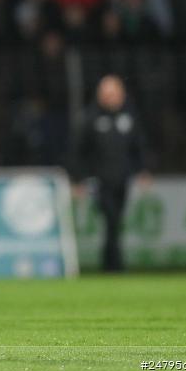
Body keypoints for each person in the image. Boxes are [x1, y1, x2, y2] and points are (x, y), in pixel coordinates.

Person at [73, 75, 150, 272]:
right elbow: (79, 151)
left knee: (115, 222)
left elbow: (139, 146)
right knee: (111, 219)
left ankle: (110, 264)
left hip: (122, 179)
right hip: (99, 181)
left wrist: (143, 170)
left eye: (114, 93)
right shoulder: (91, 118)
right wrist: (79, 179)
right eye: (106, 93)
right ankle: (115, 265)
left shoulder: (130, 117)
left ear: (122, 94)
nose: (111, 97)